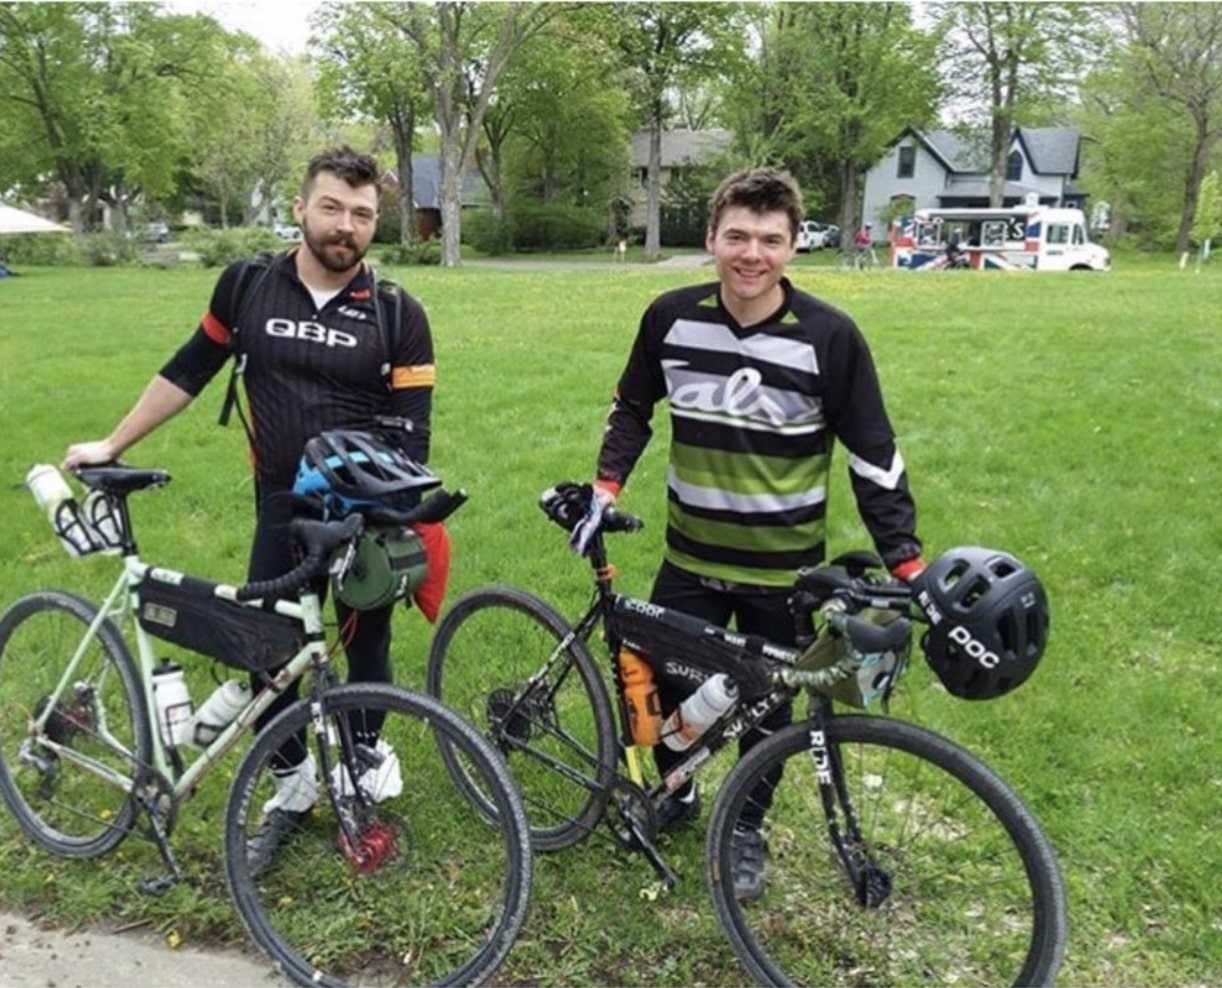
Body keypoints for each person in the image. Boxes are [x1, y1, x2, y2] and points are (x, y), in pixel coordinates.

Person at [63, 146, 436, 873]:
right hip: (281, 506)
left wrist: (381, 506)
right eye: (331, 207)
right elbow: (189, 370)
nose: (346, 226)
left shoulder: (398, 314)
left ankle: (359, 769)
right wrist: (112, 441)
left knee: (365, 645)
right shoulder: (247, 286)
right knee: (264, 652)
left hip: (364, 516)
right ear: (300, 207)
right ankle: (292, 785)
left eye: (362, 215)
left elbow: (413, 434)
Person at [578, 168, 924, 901]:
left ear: (794, 247)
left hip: (784, 576)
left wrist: (906, 560)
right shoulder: (669, 317)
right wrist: (606, 487)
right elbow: (632, 408)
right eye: (737, 235)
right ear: (711, 238)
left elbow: (873, 454)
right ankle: (681, 790)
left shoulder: (831, 337)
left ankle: (745, 829)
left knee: (769, 713)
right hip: (690, 560)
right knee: (677, 690)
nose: (751, 254)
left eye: (771, 239)